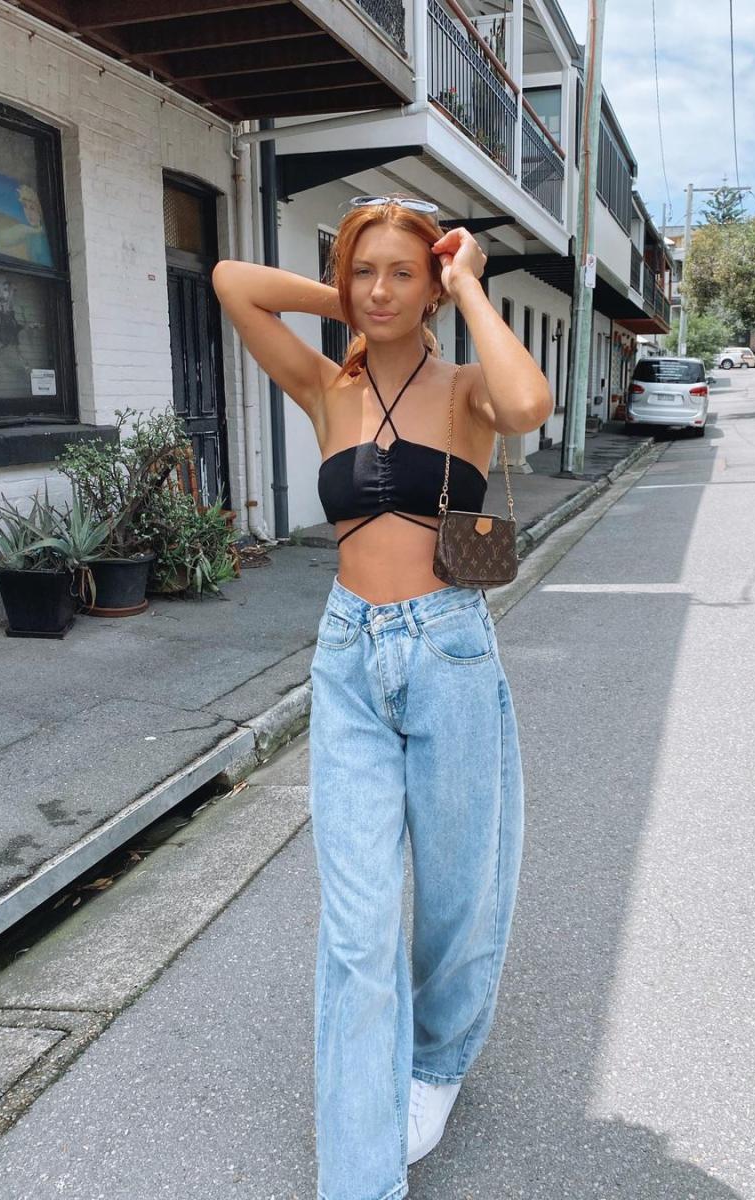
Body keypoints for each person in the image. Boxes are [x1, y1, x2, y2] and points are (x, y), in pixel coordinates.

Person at [212, 195, 552, 1200]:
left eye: (403, 272)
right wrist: (358, 307)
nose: (380, 288)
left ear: (435, 282)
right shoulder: (327, 387)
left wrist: (463, 286)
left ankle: (436, 1063)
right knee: (358, 929)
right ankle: (359, 1181)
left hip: (448, 654)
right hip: (349, 658)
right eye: (366, 270)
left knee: (456, 899)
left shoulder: (466, 390)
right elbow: (235, 282)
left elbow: (530, 406)